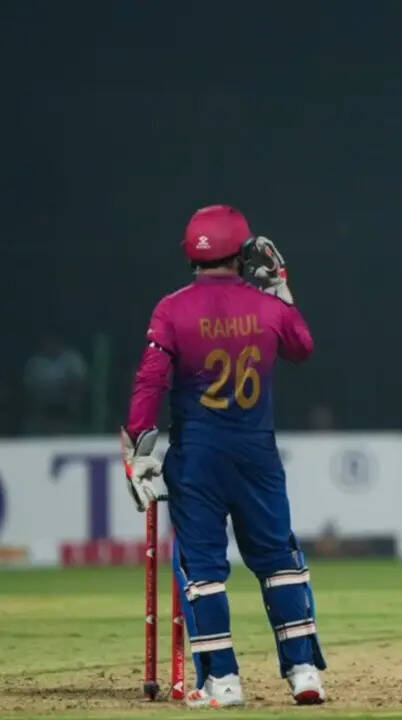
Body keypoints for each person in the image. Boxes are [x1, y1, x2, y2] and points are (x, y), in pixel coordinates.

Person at [119, 205, 327, 707]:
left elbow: (150, 379)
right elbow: (302, 347)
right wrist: (280, 288)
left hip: (197, 457)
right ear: (242, 252)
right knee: (279, 561)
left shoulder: (171, 309)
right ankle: (304, 673)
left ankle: (223, 681)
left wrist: (139, 447)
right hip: (256, 454)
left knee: (203, 567)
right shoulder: (267, 306)